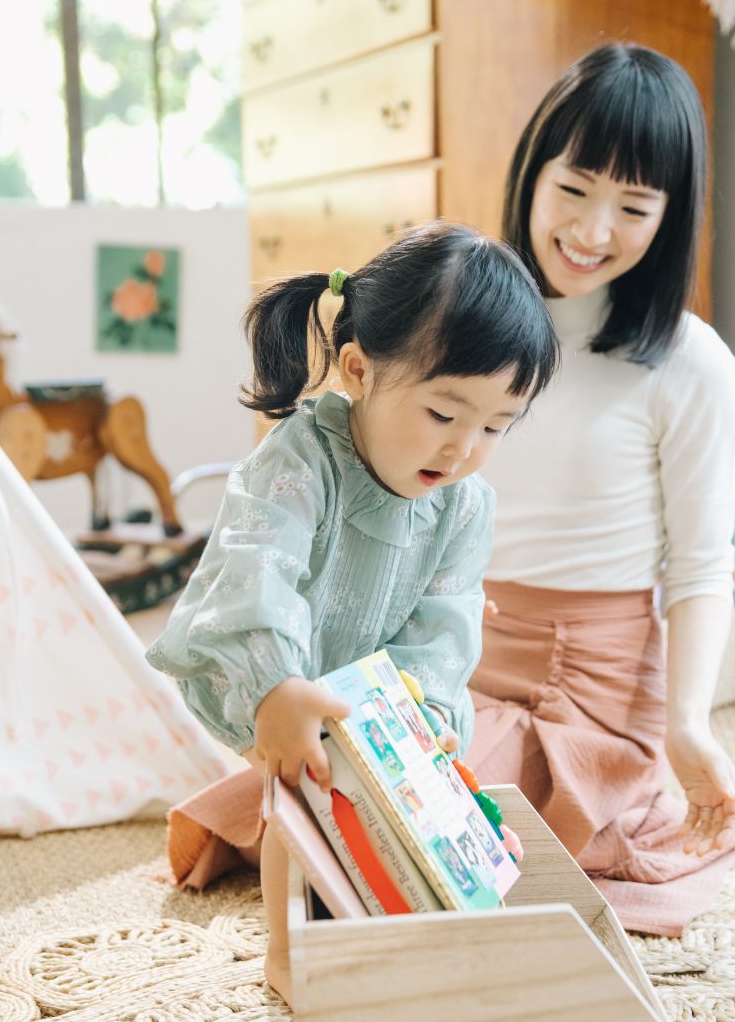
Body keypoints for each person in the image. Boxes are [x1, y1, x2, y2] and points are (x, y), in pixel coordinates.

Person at [146, 220, 558, 1005]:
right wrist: (275, 686)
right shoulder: (299, 460)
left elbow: (446, 621)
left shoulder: (463, 504)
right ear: (359, 370)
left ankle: (402, 925)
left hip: (379, 691)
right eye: (444, 414)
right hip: (290, 672)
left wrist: (425, 714)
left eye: (496, 427)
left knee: (426, 809)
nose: (466, 448)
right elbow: (253, 569)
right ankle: (286, 955)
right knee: (297, 800)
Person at [467, 42, 735, 937]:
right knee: (331, 781)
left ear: (670, 217)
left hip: (589, 679)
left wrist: (689, 725)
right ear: (533, 173)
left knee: (449, 825)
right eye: (574, 190)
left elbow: (703, 565)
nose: (595, 231)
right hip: (459, 641)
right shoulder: (468, 323)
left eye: (634, 206)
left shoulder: (691, 363)